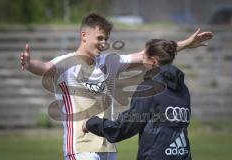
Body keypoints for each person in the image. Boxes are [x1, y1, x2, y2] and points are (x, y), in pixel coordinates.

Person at [20, 13, 213, 160]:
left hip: (107, 148)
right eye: (100, 38)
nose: (104, 43)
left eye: (106, 39)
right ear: (84, 35)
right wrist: (29, 65)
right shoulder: (66, 63)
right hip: (80, 147)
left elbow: (150, 54)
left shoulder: (110, 62)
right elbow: (45, 67)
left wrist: (186, 44)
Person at [83, 39, 193, 160]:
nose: (142, 60)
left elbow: (126, 127)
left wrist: (93, 123)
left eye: (144, 56)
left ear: (153, 61)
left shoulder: (149, 88)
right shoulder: (183, 89)